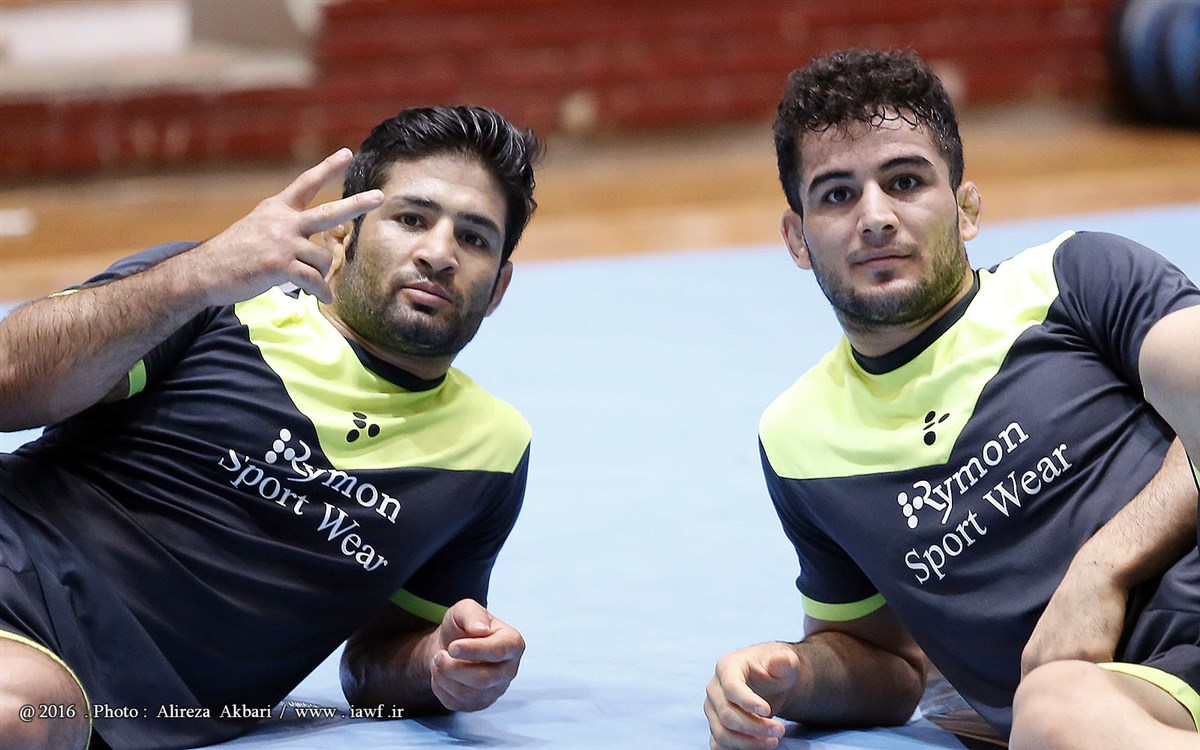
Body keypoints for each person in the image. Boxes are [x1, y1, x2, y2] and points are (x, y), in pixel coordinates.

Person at [0, 105, 541, 750]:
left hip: (96, 702)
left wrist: (440, 665)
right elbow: (9, 381)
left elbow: (374, 666)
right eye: (411, 219)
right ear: (343, 236)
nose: (439, 253)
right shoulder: (218, 295)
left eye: (474, 238)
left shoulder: (490, 453)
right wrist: (197, 275)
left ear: (499, 286)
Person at [704, 48, 1200, 750]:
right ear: (798, 238)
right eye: (837, 195)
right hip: (1121, 704)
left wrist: (1103, 569)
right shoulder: (798, 441)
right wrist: (791, 676)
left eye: (904, 181)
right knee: (1054, 713)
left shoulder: (1072, 277)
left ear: (966, 209)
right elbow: (889, 668)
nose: (875, 217)